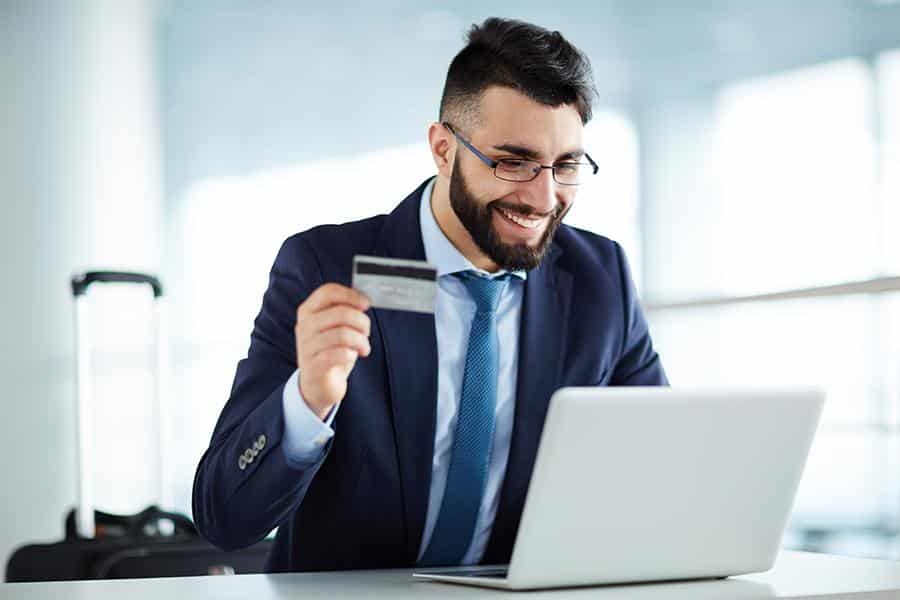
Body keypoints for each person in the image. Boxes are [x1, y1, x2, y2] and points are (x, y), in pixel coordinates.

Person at [192, 17, 667, 573]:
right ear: (443, 149)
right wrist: (306, 400)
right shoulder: (326, 269)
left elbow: (656, 466)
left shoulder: (599, 278)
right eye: (512, 162)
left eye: (564, 166)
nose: (543, 197)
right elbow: (223, 515)